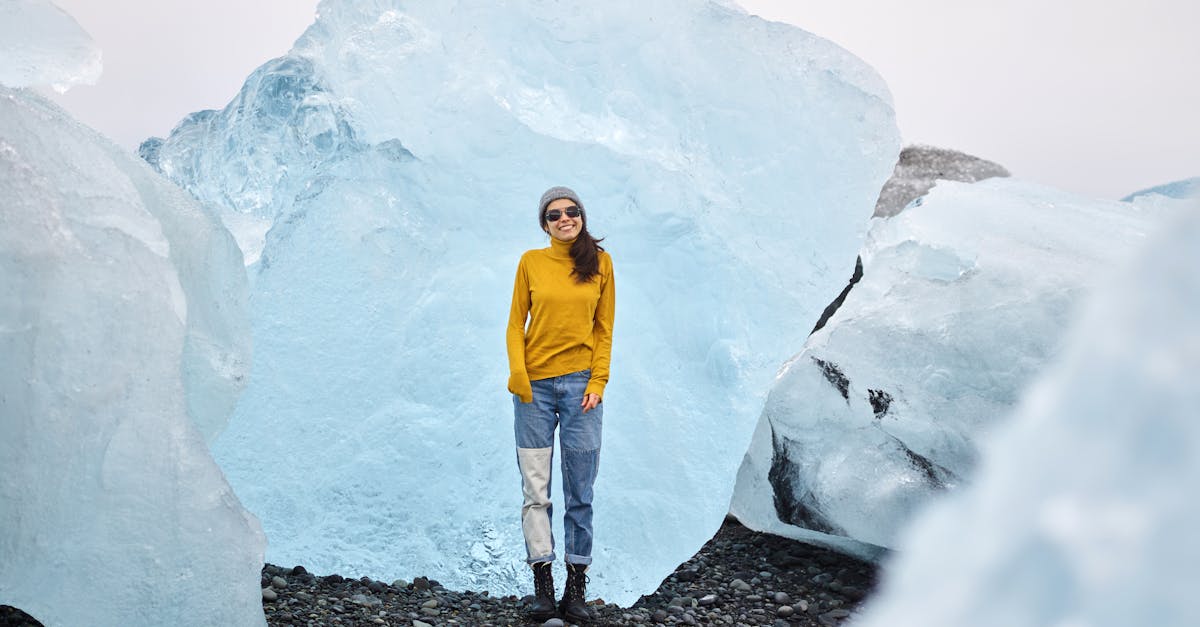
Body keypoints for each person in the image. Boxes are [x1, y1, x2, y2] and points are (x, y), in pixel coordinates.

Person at [506, 186, 615, 623]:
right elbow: (516, 323)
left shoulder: (600, 264)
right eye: (555, 214)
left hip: (580, 389)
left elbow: (604, 329)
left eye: (572, 211)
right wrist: (519, 373)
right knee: (536, 491)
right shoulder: (531, 262)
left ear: (582, 216)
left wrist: (599, 379)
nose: (565, 218)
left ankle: (576, 590)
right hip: (534, 389)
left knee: (580, 491)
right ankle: (543, 589)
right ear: (545, 224)